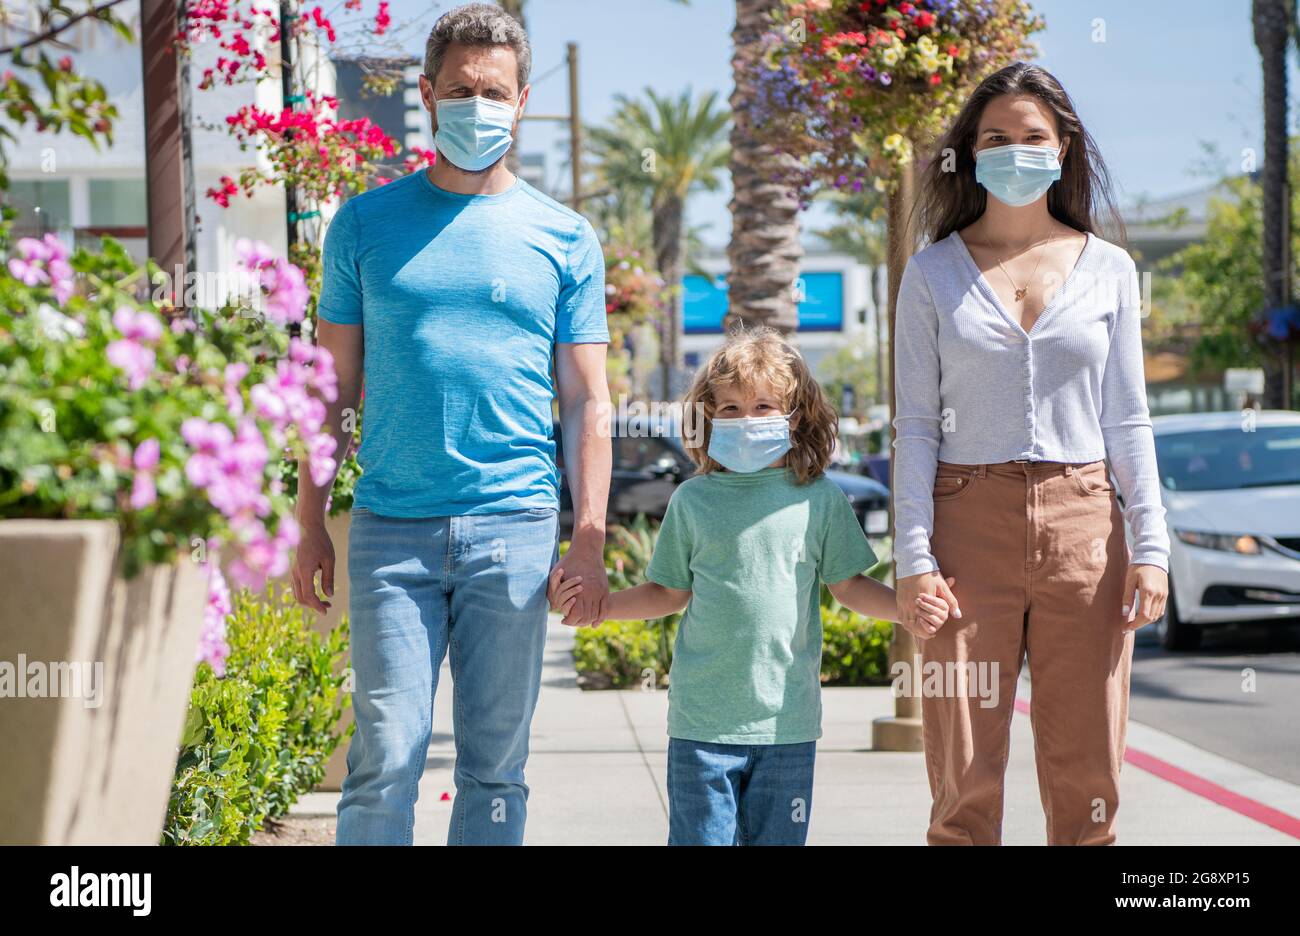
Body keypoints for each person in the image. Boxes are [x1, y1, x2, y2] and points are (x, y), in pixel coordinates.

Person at [291, 3, 612, 846]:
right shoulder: (362, 224)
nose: (480, 105)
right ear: (427, 94)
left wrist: (589, 532)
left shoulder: (567, 238)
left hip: (515, 525)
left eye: (495, 90)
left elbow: (585, 399)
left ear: (523, 100)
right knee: (385, 754)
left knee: (495, 767)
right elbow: (331, 386)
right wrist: (308, 520)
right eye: (462, 88)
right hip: (392, 529)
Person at [892, 62, 1170, 845]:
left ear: (1064, 148)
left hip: (1085, 525)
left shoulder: (1109, 269)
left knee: (1088, 777)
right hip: (961, 527)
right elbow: (914, 424)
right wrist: (913, 556)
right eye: (996, 138)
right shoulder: (932, 271)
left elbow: (1130, 419)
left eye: (1032, 137)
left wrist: (1151, 546)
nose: (1015, 150)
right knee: (963, 781)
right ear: (970, 153)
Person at [551, 328, 953, 845]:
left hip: (788, 725)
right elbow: (667, 592)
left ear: (796, 416)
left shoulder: (820, 500)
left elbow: (848, 586)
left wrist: (907, 609)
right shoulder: (692, 501)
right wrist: (599, 610)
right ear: (708, 417)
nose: (747, 419)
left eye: (765, 405)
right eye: (732, 409)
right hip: (701, 726)